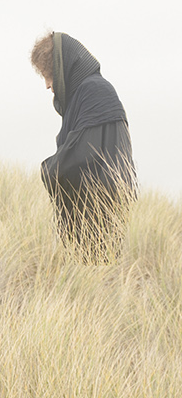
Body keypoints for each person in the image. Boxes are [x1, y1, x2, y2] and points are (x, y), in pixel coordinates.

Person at [32, 32, 135, 260]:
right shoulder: (86, 93)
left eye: (49, 75)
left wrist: (48, 169)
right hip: (91, 216)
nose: (48, 85)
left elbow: (83, 154)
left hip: (100, 218)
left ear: (63, 70)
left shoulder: (95, 91)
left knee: (98, 281)